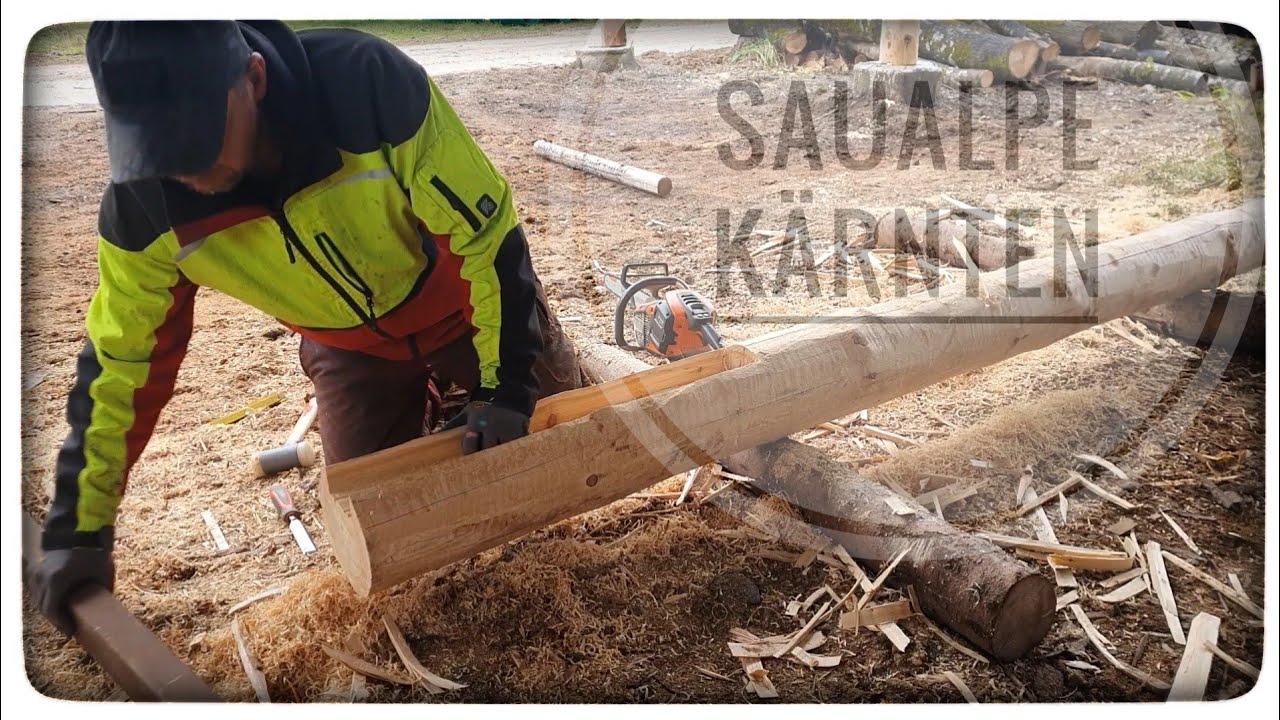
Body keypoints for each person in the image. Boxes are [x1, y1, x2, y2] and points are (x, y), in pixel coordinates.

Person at [32, 20, 583, 636]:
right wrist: (79, 528)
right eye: (156, 148)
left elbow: (488, 240)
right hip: (349, 345)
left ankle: (481, 378)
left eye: (198, 138)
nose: (183, 170)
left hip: (454, 305)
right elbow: (121, 364)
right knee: (372, 522)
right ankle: (421, 397)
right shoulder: (142, 208)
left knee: (570, 432)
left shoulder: (368, 85)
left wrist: (504, 390)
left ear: (254, 78)